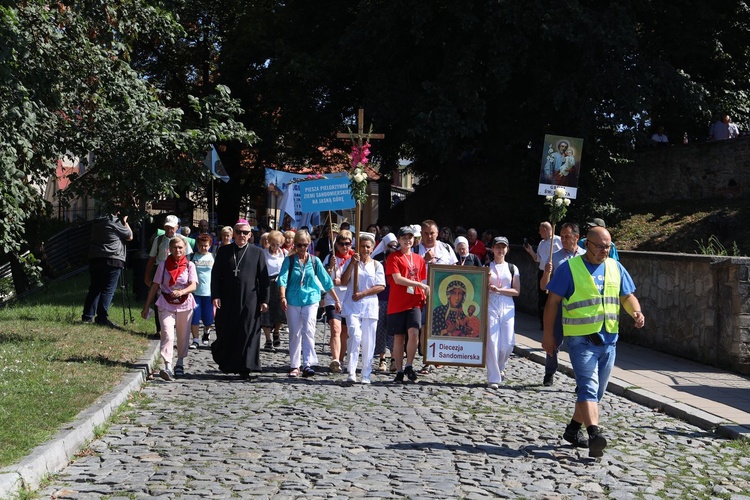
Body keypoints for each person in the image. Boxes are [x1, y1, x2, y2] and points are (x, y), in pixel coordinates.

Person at [543, 226, 646, 457]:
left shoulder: (615, 267)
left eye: (608, 246)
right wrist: (548, 335)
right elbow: (552, 303)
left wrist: (636, 312)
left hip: (609, 340)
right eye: (600, 246)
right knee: (588, 387)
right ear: (586, 244)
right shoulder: (569, 269)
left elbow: (627, 296)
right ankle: (594, 435)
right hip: (580, 341)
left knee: (596, 392)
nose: (605, 250)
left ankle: (572, 430)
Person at [210, 219, 270, 379]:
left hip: (250, 299)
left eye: (245, 233)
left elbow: (263, 279)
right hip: (227, 299)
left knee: (247, 331)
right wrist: (215, 295)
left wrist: (265, 299)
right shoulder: (224, 251)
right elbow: (215, 275)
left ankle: (247, 366)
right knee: (227, 331)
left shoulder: (257, 253)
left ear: (250, 235)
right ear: (233, 234)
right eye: (239, 232)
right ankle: (228, 363)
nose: (242, 235)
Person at [278, 229, 341, 378]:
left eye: (305, 245)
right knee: (294, 333)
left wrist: (336, 299)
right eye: (299, 245)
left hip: (311, 299)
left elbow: (326, 281)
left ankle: (307, 363)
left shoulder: (314, 261)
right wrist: (282, 296)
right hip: (293, 300)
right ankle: (295, 365)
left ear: (309, 245)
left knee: (308, 330)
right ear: (295, 245)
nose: (302, 248)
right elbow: (282, 279)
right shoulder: (290, 260)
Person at [141, 237, 198, 380]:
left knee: (183, 335)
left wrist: (182, 292)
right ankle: (167, 366)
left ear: (184, 249)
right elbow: (155, 286)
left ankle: (180, 362)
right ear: (169, 249)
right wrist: (146, 307)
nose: (177, 250)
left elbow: (193, 285)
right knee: (167, 332)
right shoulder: (163, 265)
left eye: (180, 247)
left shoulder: (190, 265)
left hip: (185, 304)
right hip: (166, 302)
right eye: (174, 247)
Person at [539, 222, 586, 386]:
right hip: (558, 306)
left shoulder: (586, 257)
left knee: (579, 345)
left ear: (577, 237)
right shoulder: (554, 257)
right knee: (553, 340)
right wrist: (546, 272)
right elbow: (543, 286)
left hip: (578, 308)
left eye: (567, 236)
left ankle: (581, 379)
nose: (563, 240)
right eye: (562, 236)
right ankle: (550, 372)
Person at [340, 232, 386, 385]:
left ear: (372, 248)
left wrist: (363, 293)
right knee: (355, 335)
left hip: (369, 306)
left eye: (368, 247)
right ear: (357, 247)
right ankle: (351, 371)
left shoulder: (377, 265)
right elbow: (344, 281)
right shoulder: (351, 262)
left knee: (368, 341)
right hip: (353, 305)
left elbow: (381, 286)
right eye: (362, 246)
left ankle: (366, 373)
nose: (365, 249)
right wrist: (352, 264)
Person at [386, 226, 429, 383]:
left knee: (413, 333)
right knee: (399, 337)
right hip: (398, 302)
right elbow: (397, 279)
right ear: (399, 240)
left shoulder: (419, 259)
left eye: (410, 237)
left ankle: (409, 365)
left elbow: (423, 279)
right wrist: (420, 284)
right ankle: (399, 369)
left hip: (415, 301)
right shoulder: (394, 258)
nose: (408, 240)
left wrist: (423, 289)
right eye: (404, 238)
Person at [81, 212, 133, 327]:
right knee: (108, 289)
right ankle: (102, 317)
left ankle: (87, 316)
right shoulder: (116, 221)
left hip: (95, 257)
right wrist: (125, 221)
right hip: (113, 258)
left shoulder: (97, 221)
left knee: (95, 288)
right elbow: (129, 236)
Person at [486, 237, 520, 388]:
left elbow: (516, 291)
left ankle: (501, 367)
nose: (500, 250)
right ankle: (493, 377)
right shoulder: (487, 266)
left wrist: (500, 290)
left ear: (507, 249)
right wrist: (487, 283)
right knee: (492, 341)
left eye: (503, 247)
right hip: (491, 303)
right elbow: (480, 285)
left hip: (507, 303)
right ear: (492, 249)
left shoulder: (512, 268)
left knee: (507, 344)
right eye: (497, 247)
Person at [323, 229, 355, 372]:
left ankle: (341, 359)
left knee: (345, 332)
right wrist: (330, 268)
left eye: (347, 243)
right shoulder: (331, 257)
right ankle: (335, 359)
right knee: (335, 329)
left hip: (348, 299)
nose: (344, 246)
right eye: (341, 243)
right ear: (337, 245)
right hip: (333, 298)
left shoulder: (354, 258)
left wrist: (343, 281)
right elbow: (323, 278)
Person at [523, 222, 562, 328]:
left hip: (554, 273)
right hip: (543, 273)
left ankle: (554, 322)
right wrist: (530, 251)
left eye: (540, 230)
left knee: (553, 297)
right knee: (542, 298)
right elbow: (537, 259)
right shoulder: (541, 243)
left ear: (545, 229)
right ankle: (543, 322)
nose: (539, 232)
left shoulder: (558, 240)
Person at [372, 232, 398, 372]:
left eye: (394, 246)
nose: (392, 248)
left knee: (393, 330)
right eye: (390, 246)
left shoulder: (398, 260)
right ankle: (382, 359)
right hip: (380, 298)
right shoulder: (377, 260)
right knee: (380, 328)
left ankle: (394, 358)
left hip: (394, 298)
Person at [261, 230, 287, 352]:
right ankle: (268, 339)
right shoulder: (263, 254)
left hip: (280, 285)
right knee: (265, 312)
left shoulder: (284, 254)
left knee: (280, 311)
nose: (275, 246)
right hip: (267, 284)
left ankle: (276, 331)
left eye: (278, 244)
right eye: (273, 244)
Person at [189, 233, 215, 349]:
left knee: (208, 318)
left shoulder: (213, 257)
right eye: (201, 246)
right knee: (195, 316)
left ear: (209, 245)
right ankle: (195, 339)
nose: (203, 248)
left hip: (209, 293)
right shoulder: (193, 257)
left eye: (206, 245)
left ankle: (206, 332)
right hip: (195, 293)